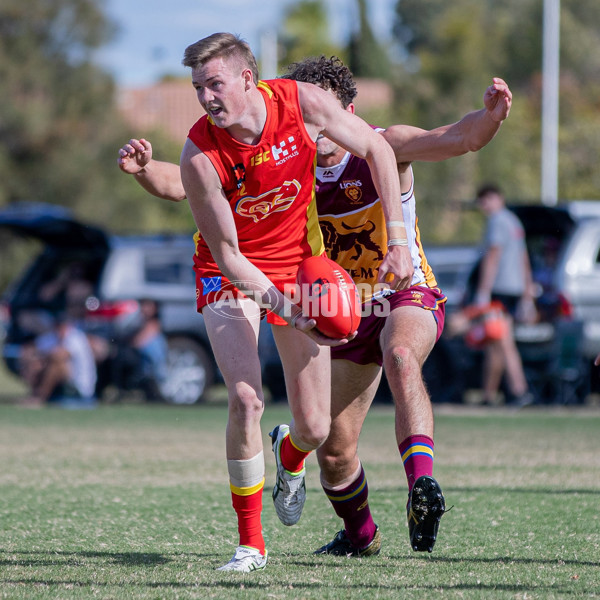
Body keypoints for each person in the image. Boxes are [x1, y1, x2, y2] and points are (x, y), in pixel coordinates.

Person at [118, 54, 512, 561]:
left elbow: (458, 138)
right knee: (330, 444)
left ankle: (421, 485)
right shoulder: (291, 157)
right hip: (333, 307)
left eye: (322, 110)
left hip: (401, 292)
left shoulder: (382, 145)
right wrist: (148, 169)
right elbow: (190, 182)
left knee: (401, 356)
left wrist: (491, 117)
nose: (312, 124)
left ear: (346, 109)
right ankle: (358, 532)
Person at [120, 33, 408, 573]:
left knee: (317, 428)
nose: (206, 97)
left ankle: (288, 453)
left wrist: (396, 237)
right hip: (228, 273)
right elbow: (229, 255)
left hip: (298, 264)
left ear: (248, 78)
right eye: (198, 87)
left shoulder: (301, 103)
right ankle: (250, 543)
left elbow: (378, 148)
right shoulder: (201, 153)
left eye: (215, 84)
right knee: (247, 397)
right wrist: (281, 303)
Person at [473, 184, 537, 407]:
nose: (484, 205)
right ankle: (489, 394)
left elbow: (493, 256)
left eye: (487, 199)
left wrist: (483, 291)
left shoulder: (498, 221)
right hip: (515, 289)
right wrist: (527, 291)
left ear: (498, 198)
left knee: (504, 343)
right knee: (495, 342)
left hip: (499, 290)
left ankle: (520, 391)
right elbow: (524, 257)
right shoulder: (513, 221)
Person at [19, 312, 97, 408]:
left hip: (79, 387)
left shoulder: (77, 338)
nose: (61, 330)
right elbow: (31, 350)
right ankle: (34, 394)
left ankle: (40, 397)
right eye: (59, 326)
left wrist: (41, 357)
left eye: (63, 327)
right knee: (35, 364)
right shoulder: (52, 337)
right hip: (61, 385)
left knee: (56, 364)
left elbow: (60, 355)